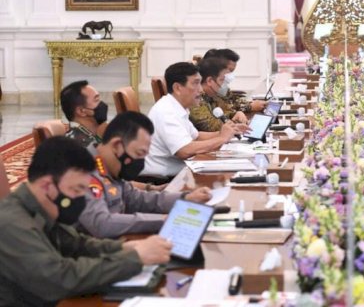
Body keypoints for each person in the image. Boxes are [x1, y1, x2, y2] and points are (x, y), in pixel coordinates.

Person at [0, 137, 171, 306]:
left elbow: (76, 245)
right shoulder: (11, 223)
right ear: (47, 186)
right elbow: (59, 279)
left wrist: (123, 248)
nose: (80, 199)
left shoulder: (39, 208)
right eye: (76, 190)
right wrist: (135, 258)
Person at [78, 112, 212, 239]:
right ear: (117, 146)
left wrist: (186, 198)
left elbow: (137, 199)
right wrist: (163, 220)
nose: (140, 162)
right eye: (138, 153)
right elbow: (102, 223)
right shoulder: (82, 171)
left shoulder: (109, 168)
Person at [140, 62, 241, 180]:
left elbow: (196, 136)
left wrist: (228, 132)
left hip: (180, 173)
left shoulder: (177, 107)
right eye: (196, 84)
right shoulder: (166, 111)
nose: (201, 90)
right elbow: (184, 150)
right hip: (162, 181)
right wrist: (221, 139)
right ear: (177, 88)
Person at [189, 57, 252, 132]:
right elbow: (211, 126)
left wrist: (235, 114)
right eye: (222, 80)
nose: (224, 85)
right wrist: (235, 122)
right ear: (209, 81)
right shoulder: (195, 98)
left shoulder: (212, 95)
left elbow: (222, 114)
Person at [204, 48, 267, 113]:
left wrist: (251, 104)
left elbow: (232, 101)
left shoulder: (221, 86)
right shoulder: (203, 91)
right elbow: (224, 109)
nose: (230, 76)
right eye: (229, 71)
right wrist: (249, 107)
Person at [61, 80, 108, 147]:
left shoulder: (94, 135)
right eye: (96, 100)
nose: (102, 104)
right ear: (81, 111)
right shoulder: (78, 144)